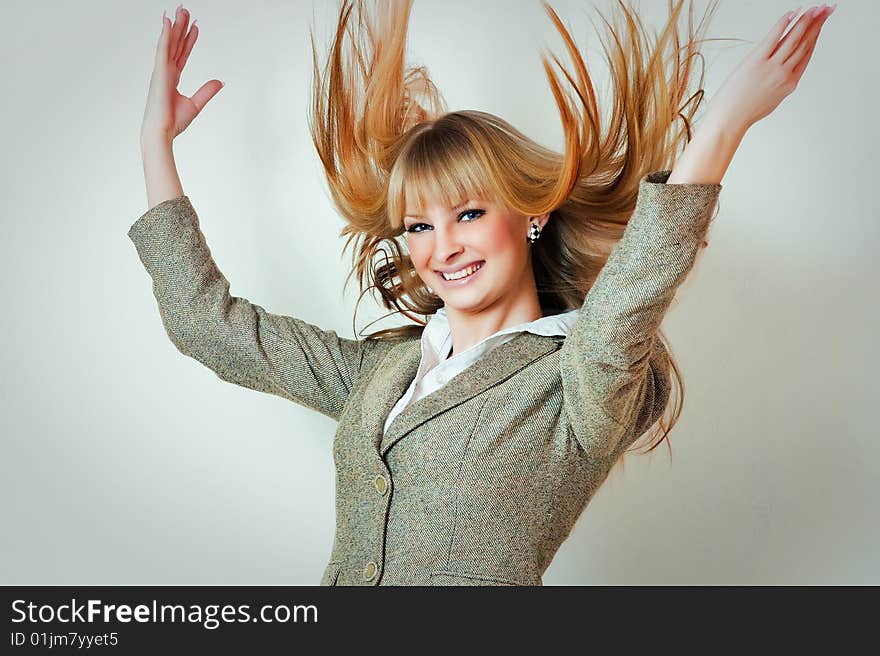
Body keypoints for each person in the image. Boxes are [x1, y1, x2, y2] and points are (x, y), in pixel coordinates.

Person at [130, 0, 835, 585]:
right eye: (418, 226)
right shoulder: (380, 374)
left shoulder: (578, 380)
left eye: (469, 213)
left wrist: (725, 123)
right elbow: (207, 326)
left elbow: (632, 294)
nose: (444, 248)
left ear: (530, 214)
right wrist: (155, 145)